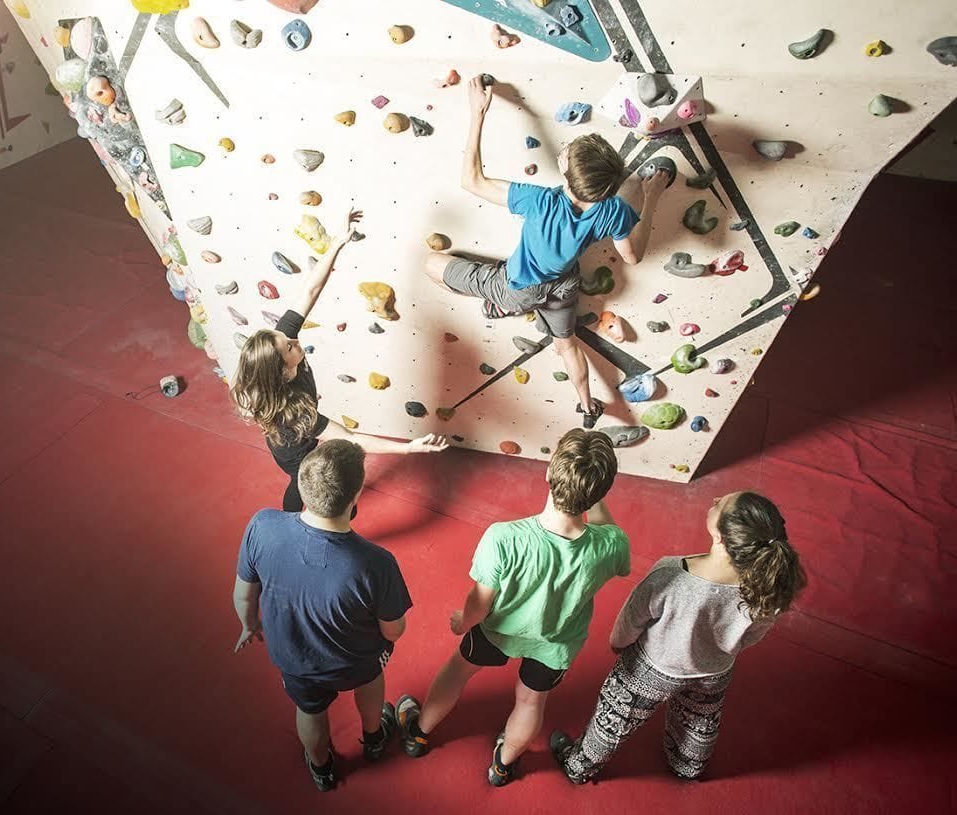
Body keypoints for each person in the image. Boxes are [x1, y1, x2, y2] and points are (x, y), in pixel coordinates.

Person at [423, 75, 668, 427]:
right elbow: (632, 256)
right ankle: (586, 406)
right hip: (564, 286)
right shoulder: (613, 210)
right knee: (566, 345)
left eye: (567, 154)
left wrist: (478, 113)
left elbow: (472, 180)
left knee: (431, 264)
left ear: (566, 174)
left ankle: (496, 303)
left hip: (518, 289)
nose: (564, 150)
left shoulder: (540, 202)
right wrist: (651, 197)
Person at [395, 429, 629, 787]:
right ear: (601, 492)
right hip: (555, 644)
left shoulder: (504, 537)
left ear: (549, 472)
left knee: (456, 671)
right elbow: (609, 535)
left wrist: (464, 621)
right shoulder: (613, 543)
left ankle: (419, 733)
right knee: (531, 702)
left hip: (496, 632)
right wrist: (592, 492)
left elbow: (480, 602)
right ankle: (503, 766)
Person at [549, 491, 808, 783]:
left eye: (720, 504)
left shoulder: (670, 573)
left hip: (653, 667)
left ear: (721, 537)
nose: (715, 499)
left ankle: (579, 765)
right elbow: (753, 635)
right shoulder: (768, 587)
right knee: (701, 720)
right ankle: (688, 766)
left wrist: (618, 642)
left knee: (615, 715)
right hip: (715, 670)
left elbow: (633, 617)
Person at [230, 209, 448, 513]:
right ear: (283, 370)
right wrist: (408, 448)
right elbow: (350, 439)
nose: (294, 339)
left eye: (288, 337)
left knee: (339, 492)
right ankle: (290, 520)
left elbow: (311, 289)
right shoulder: (295, 413)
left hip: (299, 432)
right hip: (294, 453)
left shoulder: (279, 347)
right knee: (302, 483)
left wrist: (337, 242)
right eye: (290, 346)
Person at [233, 440, 412, 791]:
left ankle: (322, 770)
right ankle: (374, 739)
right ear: (356, 497)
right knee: (371, 681)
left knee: (310, 712)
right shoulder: (377, 563)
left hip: (295, 660)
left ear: (301, 485)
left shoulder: (263, 525)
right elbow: (394, 631)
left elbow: (243, 595)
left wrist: (249, 625)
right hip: (356, 660)